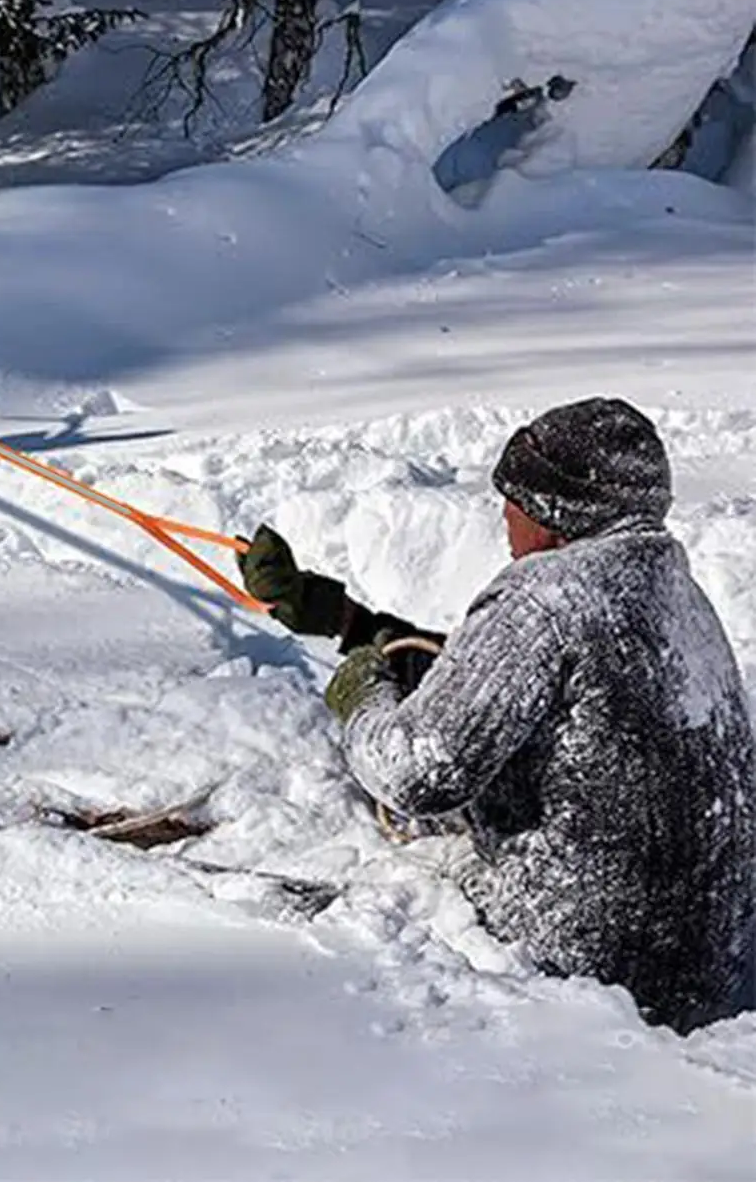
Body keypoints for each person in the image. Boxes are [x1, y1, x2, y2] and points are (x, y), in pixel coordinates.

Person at [237, 397, 755, 1034]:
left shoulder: (546, 596)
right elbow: (507, 680)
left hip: (584, 970)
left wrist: (363, 695)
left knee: (342, 909)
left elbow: (417, 774)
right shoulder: (669, 589)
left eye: (516, 500)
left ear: (558, 513)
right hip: (705, 966)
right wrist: (350, 624)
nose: (506, 518)